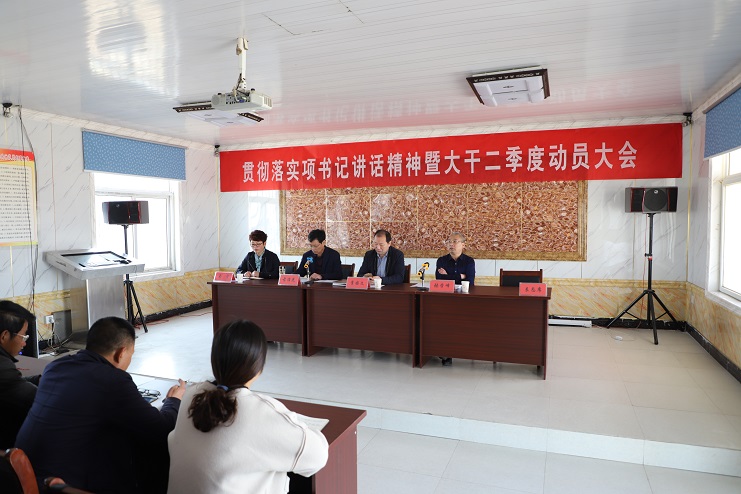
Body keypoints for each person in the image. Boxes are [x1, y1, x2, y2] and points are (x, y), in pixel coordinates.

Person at [16, 317, 187, 494]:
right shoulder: (113, 380)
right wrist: (174, 400)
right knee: (150, 450)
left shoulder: (56, 366)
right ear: (121, 353)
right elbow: (161, 428)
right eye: (131, 354)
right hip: (60, 487)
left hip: (20, 476)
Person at [167, 320, 328, 494]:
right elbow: (317, 456)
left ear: (214, 360)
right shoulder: (261, 412)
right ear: (259, 366)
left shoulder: (192, 394)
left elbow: (173, 440)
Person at [0, 301, 39, 450]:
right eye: (23, 337)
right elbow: (39, 400)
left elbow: (13, 384)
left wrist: (40, 380)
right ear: (4, 336)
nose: (24, 344)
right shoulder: (2, 367)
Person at [436, 233, 476, 366]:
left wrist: (448, 276)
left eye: (455, 241)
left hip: (464, 299)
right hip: (445, 299)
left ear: (463, 245)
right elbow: (440, 280)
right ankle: (446, 352)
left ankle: (459, 349)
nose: (451, 244)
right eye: (449, 241)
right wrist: (461, 276)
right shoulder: (441, 260)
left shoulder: (469, 261)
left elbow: (470, 281)